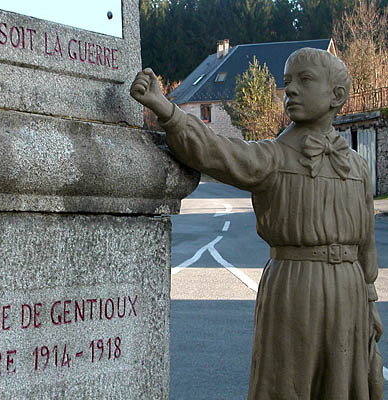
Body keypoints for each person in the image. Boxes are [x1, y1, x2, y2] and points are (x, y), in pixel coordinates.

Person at [130, 48, 384, 399]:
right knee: (286, 383)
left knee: (342, 383)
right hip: (295, 285)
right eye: (287, 82)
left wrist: (370, 303)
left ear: (337, 96)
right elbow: (218, 151)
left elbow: (366, 245)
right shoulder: (274, 157)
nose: (290, 90)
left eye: (304, 80)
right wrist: (169, 112)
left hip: (349, 290)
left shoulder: (357, 167)